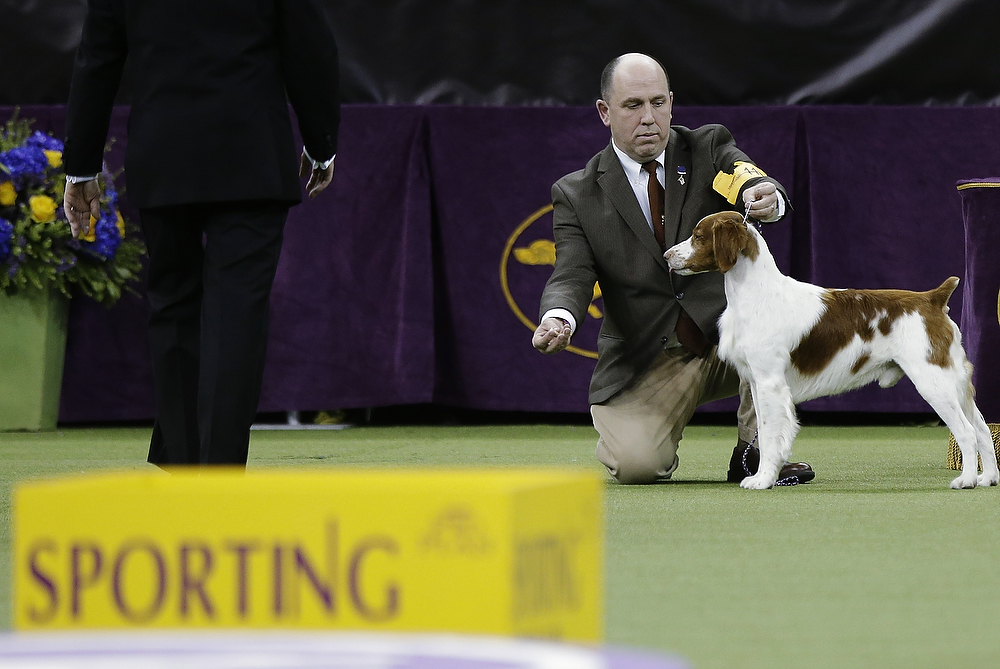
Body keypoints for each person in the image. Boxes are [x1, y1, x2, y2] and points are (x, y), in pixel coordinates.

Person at [62, 0, 341, 467]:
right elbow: (310, 50)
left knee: (173, 304)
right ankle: (218, 469)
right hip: (250, 157)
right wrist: (320, 145)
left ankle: (184, 465)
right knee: (236, 316)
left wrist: (81, 167)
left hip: (164, 156)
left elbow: (97, 60)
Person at [533, 53, 814, 485]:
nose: (649, 118)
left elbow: (746, 176)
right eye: (632, 106)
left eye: (657, 103)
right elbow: (571, 273)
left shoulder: (706, 147)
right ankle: (640, 431)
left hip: (724, 338)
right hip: (647, 358)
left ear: (670, 104)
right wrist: (559, 316)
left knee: (772, 327)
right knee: (638, 466)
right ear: (604, 112)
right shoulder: (576, 193)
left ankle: (755, 452)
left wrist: (766, 195)